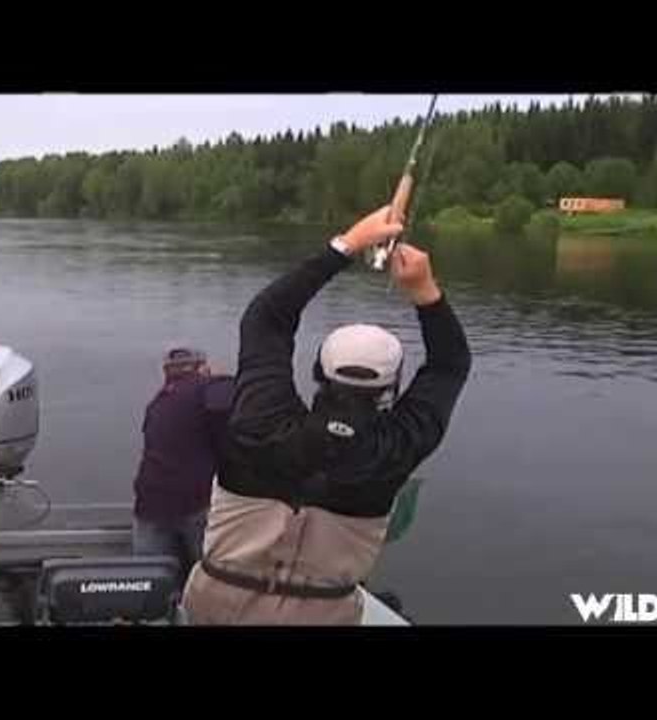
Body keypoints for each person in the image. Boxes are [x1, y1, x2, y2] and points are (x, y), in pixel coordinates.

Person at [181, 205, 472, 624]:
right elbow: (450, 364)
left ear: (319, 371)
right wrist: (425, 291)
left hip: (218, 605)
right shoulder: (395, 449)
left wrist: (348, 244)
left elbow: (267, 319)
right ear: (391, 389)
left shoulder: (261, 419)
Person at [132, 347, 235, 580]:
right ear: (202, 368)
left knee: (151, 583)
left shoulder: (157, 403)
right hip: (195, 503)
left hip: (149, 503)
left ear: (167, 372)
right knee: (212, 579)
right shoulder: (209, 388)